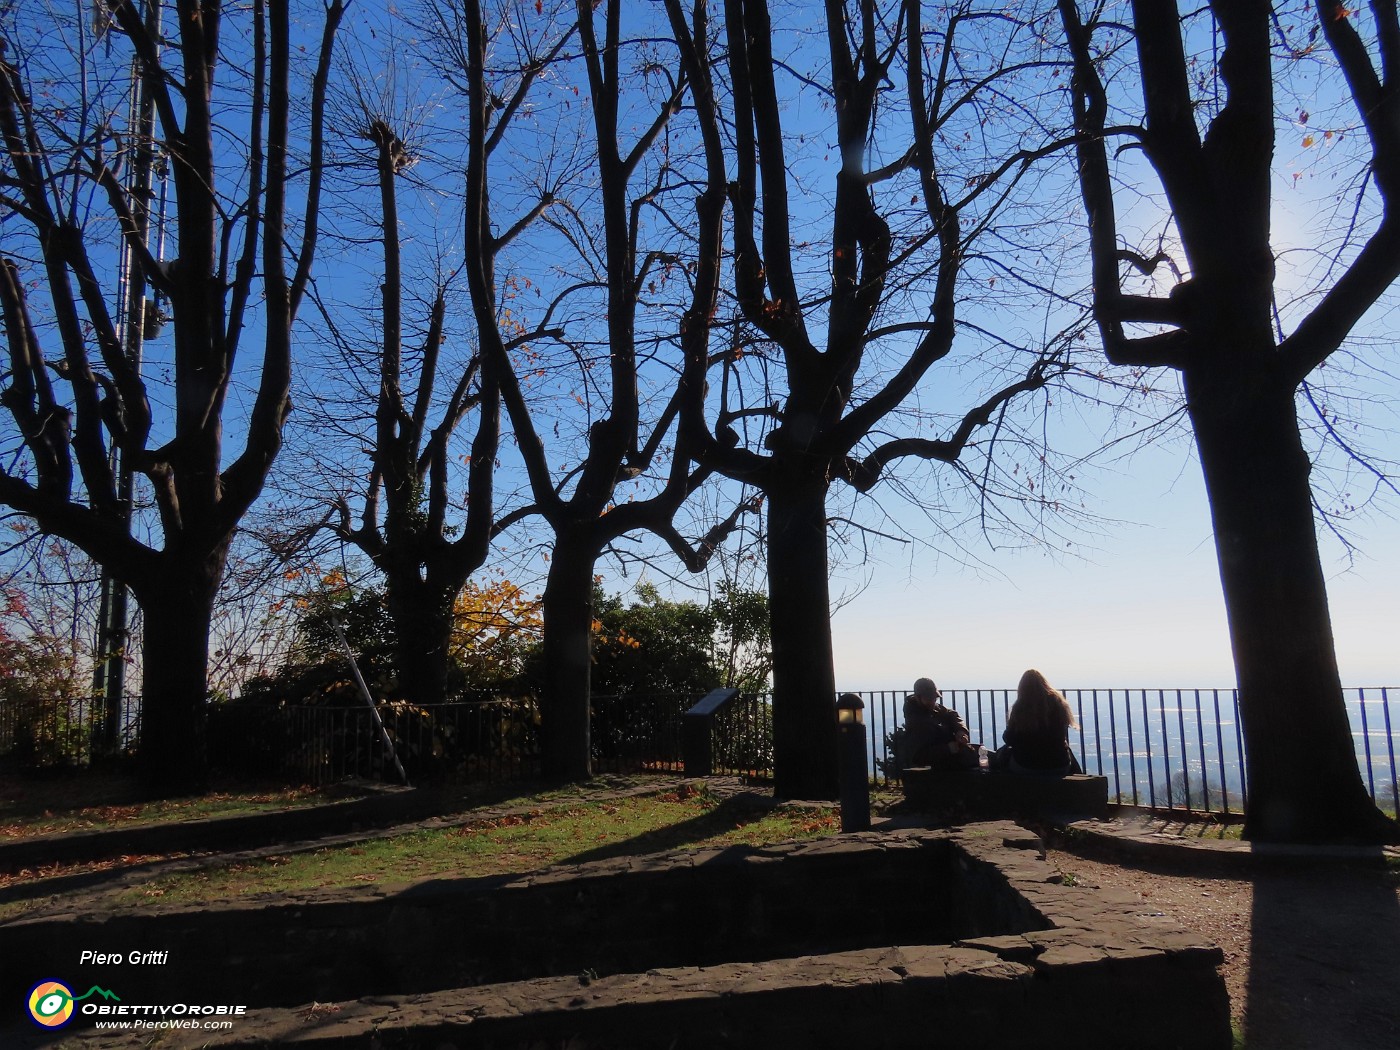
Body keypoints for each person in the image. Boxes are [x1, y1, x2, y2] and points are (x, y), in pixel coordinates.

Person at [997, 669, 1083, 775]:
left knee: (1002, 753)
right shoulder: (1058, 703)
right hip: (1059, 765)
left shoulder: (1020, 706)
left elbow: (1009, 738)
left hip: (1026, 765)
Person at [902, 678, 979, 770]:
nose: (933, 701)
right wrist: (948, 749)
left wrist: (960, 731)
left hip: (952, 758)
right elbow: (918, 756)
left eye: (934, 698)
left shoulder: (932, 709)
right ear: (918, 698)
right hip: (942, 767)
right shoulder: (915, 721)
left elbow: (951, 714)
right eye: (929, 699)